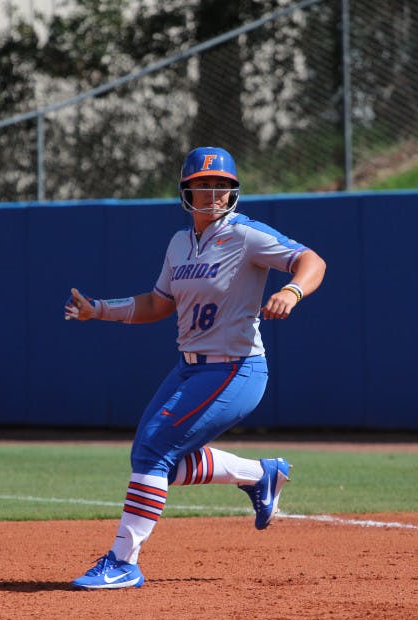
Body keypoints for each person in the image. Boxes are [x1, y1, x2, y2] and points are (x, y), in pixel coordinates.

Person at [64, 146, 326, 589]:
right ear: (186, 191)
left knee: (153, 452)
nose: (213, 193)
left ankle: (123, 561)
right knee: (152, 456)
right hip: (188, 368)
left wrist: (293, 291)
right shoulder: (179, 243)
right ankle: (260, 474)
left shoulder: (246, 234)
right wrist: (99, 310)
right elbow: (157, 304)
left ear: (233, 191)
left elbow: (311, 260)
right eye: (202, 184)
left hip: (236, 369)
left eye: (221, 185)